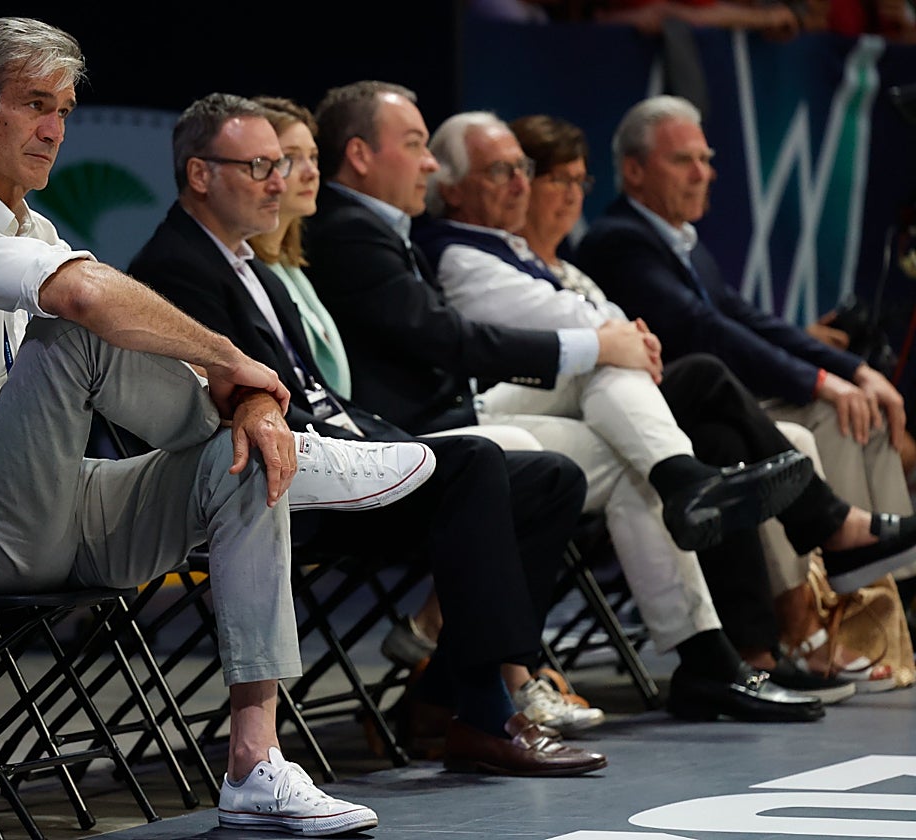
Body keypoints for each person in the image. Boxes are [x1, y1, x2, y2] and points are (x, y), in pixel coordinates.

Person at [0, 18, 444, 837]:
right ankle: (281, 440)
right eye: (35, 105)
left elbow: (119, 322)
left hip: (44, 508)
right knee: (79, 317)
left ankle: (255, 764)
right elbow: (86, 304)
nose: (54, 129)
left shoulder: (32, 232)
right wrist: (231, 361)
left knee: (243, 462)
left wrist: (250, 404)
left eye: (65, 111)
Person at [126, 90, 611, 771]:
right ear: (200, 174)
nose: (278, 180)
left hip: (333, 456)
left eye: (280, 163)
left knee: (548, 478)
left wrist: (375, 440)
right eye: (258, 166)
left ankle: (444, 693)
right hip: (269, 487)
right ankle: (486, 716)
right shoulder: (174, 267)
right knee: (473, 466)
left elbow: (314, 389)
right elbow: (230, 405)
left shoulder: (249, 260)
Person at [415, 109, 907, 692]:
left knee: (722, 441)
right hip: (509, 415)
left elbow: (646, 322)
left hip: (590, 410)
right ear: (449, 186)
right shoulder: (465, 251)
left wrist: (619, 338)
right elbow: (599, 327)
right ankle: (780, 547)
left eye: (529, 170)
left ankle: (753, 649)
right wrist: (619, 340)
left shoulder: (541, 258)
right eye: (507, 172)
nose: (528, 186)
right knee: (687, 378)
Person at [574, 94, 916, 597]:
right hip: (678, 426)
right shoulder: (619, 241)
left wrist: (852, 372)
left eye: (706, 159)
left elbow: (747, 318)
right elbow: (705, 331)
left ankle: (892, 602)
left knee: (864, 410)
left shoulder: (681, 241)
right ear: (634, 170)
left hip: (715, 407)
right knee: (837, 419)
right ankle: (843, 612)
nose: (702, 173)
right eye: (682, 160)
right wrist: (824, 385)